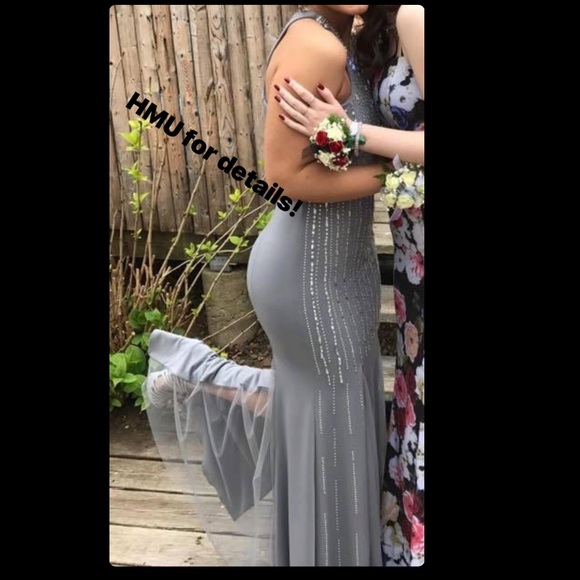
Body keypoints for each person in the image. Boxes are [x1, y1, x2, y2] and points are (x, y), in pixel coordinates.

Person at [145, 5, 390, 567]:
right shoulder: (315, 45)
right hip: (310, 278)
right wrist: (401, 173)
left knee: (331, 421)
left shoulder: (340, 34)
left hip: (342, 267)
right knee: (335, 443)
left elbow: (339, 149)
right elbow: (284, 177)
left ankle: (205, 379)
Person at [274, 5, 425, 566]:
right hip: (365, 259)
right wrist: (357, 149)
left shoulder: (411, 16)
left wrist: (351, 131)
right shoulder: (340, 35)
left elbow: (367, 144)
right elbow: (288, 172)